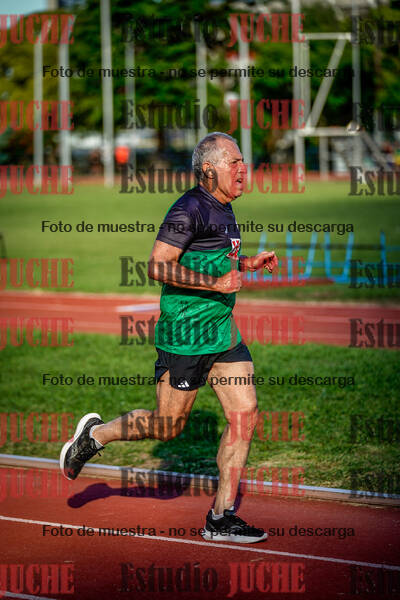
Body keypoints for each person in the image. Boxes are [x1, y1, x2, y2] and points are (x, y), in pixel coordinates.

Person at [60, 132, 278, 543]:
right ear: (209, 169)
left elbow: (216, 258)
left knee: (245, 414)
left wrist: (248, 263)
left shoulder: (225, 207)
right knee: (166, 426)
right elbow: (158, 265)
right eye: (234, 162)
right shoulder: (188, 208)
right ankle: (95, 435)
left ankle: (221, 517)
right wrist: (217, 284)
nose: (243, 169)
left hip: (222, 333)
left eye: (242, 161)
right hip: (185, 336)